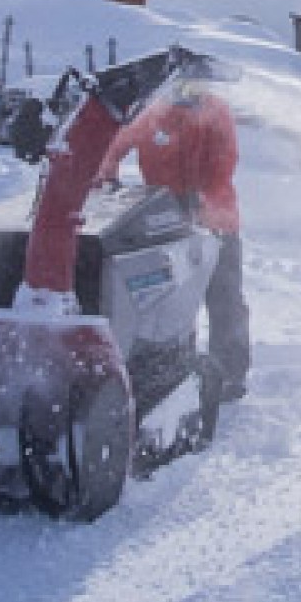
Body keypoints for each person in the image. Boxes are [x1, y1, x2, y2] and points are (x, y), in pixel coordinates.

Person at [99, 76, 252, 396]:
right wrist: (106, 178)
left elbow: (224, 160)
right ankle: (177, 370)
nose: (188, 94)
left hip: (215, 220)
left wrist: (201, 198)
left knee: (223, 297)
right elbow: (113, 145)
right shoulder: (153, 114)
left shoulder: (216, 111)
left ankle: (231, 373)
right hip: (162, 223)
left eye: (195, 87)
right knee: (171, 300)